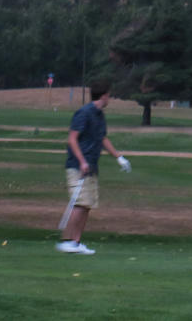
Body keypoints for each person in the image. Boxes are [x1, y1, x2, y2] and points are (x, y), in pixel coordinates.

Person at [56, 80, 131, 255]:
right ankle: (66, 241)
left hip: (91, 167)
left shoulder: (100, 115)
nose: (110, 98)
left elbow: (102, 138)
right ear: (103, 95)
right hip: (77, 166)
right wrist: (82, 161)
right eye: (109, 95)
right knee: (80, 203)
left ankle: (76, 242)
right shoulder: (84, 113)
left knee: (87, 204)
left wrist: (118, 157)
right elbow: (72, 139)